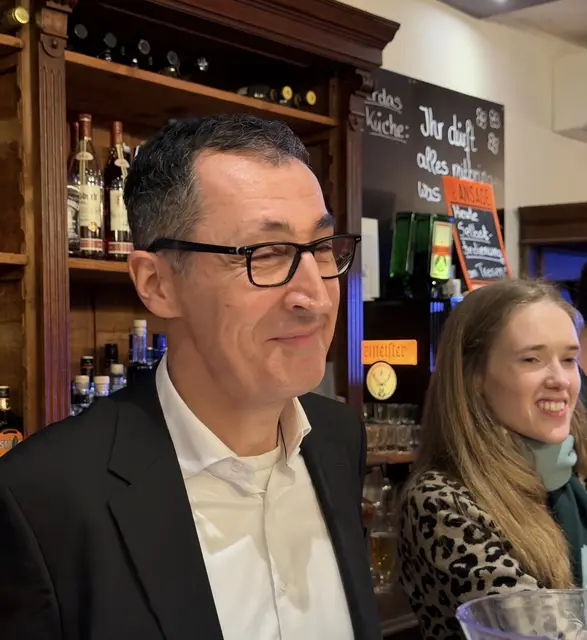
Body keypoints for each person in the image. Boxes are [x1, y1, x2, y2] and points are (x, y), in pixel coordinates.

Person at [0, 114, 379, 640]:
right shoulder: (41, 497)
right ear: (157, 284)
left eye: (320, 248)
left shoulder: (339, 437)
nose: (315, 296)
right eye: (266, 255)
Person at [397, 279, 587, 640]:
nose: (561, 380)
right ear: (475, 377)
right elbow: (545, 634)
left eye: (568, 359)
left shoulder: (575, 469)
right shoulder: (440, 500)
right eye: (531, 359)